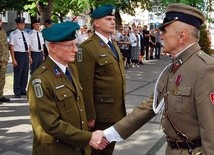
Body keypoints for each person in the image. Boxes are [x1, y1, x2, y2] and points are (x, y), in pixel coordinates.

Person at [102, 3, 214, 155]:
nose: (160, 35)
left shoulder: (205, 69)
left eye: (164, 31)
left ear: (182, 36)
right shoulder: (174, 67)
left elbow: (211, 131)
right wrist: (108, 135)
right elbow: (150, 106)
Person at [27, 21, 108, 155]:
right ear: (53, 47)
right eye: (70, 45)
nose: (76, 49)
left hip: (76, 147)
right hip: (57, 150)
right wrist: (88, 137)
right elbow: (51, 124)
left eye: (75, 44)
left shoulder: (72, 69)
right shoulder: (40, 80)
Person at [75, 4, 127, 155]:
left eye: (113, 19)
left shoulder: (112, 45)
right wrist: (90, 115)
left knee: (108, 150)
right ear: (96, 23)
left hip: (115, 111)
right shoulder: (87, 48)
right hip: (100, 114)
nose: (113, 22)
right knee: (97, 151)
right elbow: (85, 84)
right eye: (108, 19)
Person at [9, 17, 31, 98]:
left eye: (23, 24)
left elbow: (28, 46)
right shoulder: (13, 34)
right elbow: (11, 47)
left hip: (25, 54)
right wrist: (13, 59)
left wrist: (29, 56)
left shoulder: (26, 34)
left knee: (25, 73)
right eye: (21, 24)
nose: (23, 25)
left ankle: (23, 89)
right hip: (18, 54)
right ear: (17, 25)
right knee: (18, 73)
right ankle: (17, 91)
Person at [0, 17, 10, 103]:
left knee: (2, 78)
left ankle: (1, 95)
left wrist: (7, 57)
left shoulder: (3, 32)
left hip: (3, 59)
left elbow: (6, 46)